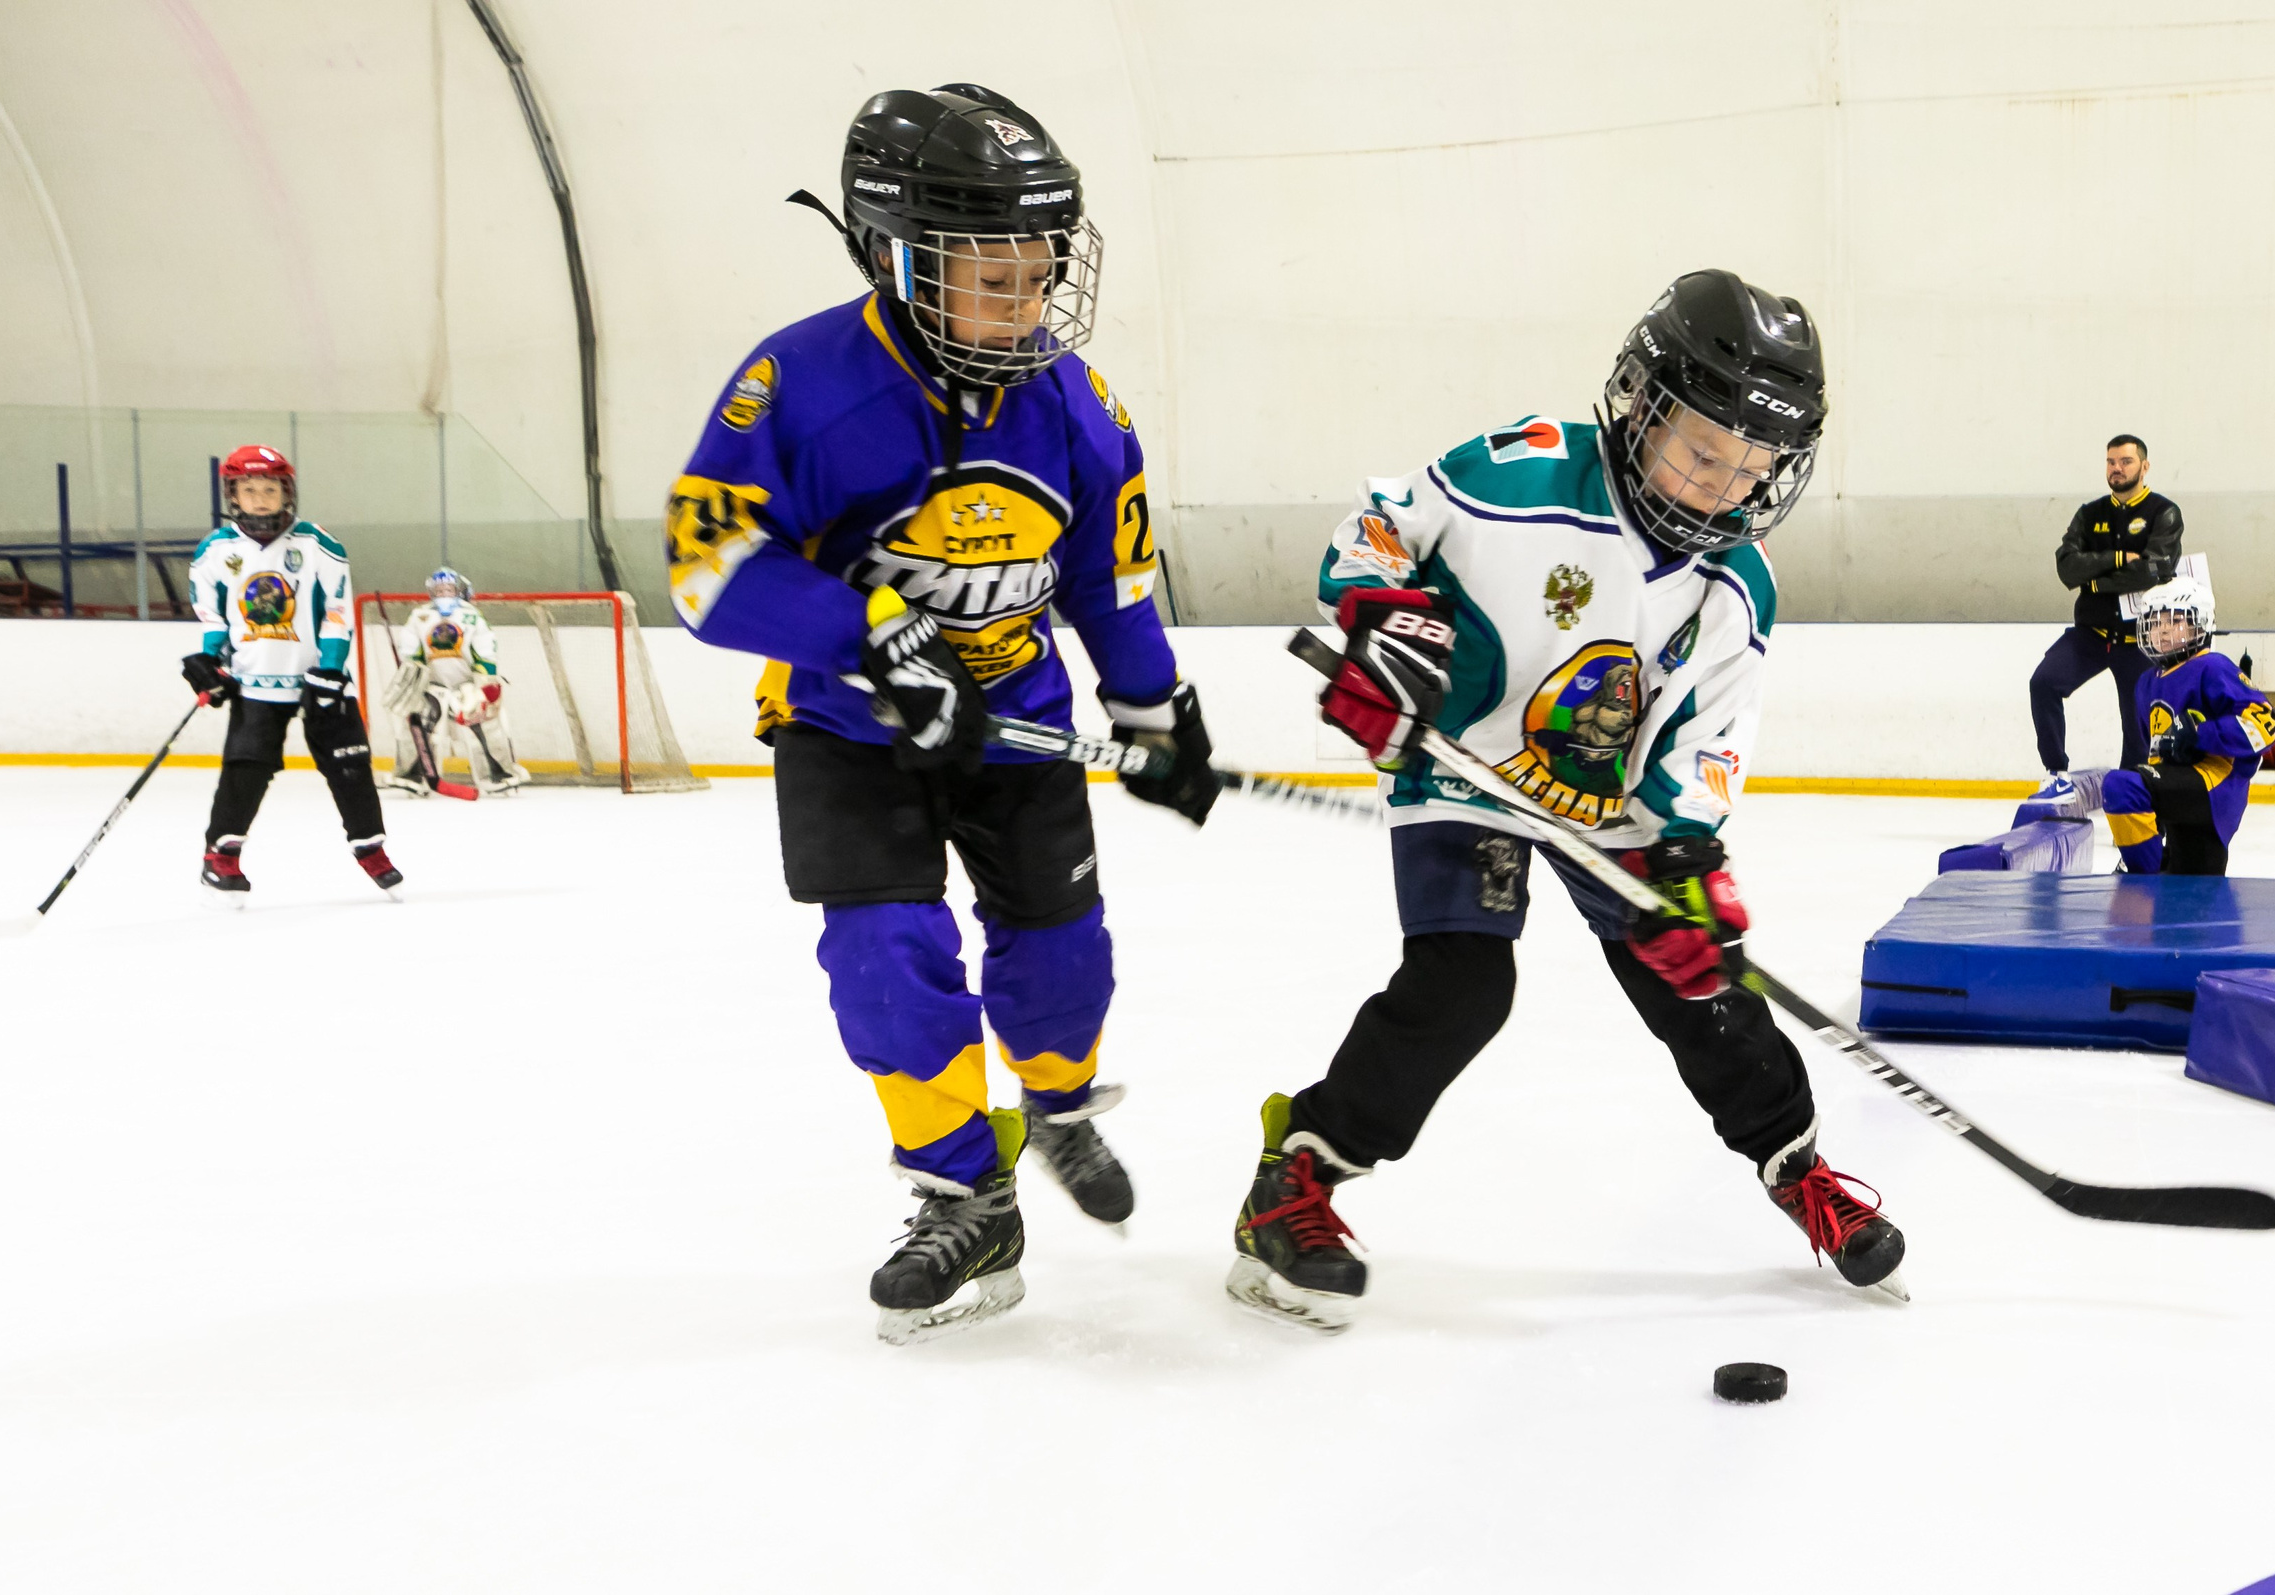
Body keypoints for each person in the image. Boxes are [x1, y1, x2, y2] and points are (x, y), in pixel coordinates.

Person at [1226, 270, 1907, 1334]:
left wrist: (1686, 862)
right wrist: (1378, 620)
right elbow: (1377, 531)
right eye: (1699, 448)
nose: (1721, 485)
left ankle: (1793, 1165)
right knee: (1463, 984)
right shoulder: (1519, 473)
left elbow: (1708, 743)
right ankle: (1298, 1178)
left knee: (1703, 990)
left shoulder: (1736, 587)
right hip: (1464, 764)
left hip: (1609, 801)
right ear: (1639, 400)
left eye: (1751, 466)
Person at [665, 83, 1219, 1344]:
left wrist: (1154, 713)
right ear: (892, 255)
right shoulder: (794, 383)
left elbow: (1108, 581)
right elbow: (706, 568)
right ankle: (967, 1191)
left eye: (1039, 274)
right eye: (994, 279)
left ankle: (1062, 1107)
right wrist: (868, 637)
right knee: (882, 957)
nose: (1027, 307)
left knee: (1062, 952)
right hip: (846, 734)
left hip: (1017, 723)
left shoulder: (1080, 408)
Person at [183, 444, 402, 895]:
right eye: (249, 489)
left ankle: (370, 848)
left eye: (270, 488)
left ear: (287, 493)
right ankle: (221, 854)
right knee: (246, 767)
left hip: (320, 678)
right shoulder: (215, 551)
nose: (260, 498)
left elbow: (337, 611)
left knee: (350, 765)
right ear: (233, 496)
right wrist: (210, 662)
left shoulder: (319, 544)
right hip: (252, 679)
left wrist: (332, 668)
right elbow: (214, 618)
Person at [2030, 436, 2182, 791]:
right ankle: (2056, 774)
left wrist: (2095, 582)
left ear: (2144, 467)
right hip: (2091, 636)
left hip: (2140, 642)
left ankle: (2130, 801)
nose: (2117, 468)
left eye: (2126, 461)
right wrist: (2115, 560)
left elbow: (2154, 570)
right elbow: (2067, 568)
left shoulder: (2164, 513)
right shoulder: (2090, 513)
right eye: (2111, 461)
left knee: (2138, 726)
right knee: (2043, 683)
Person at [2100, 576, 2275, 874]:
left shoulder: (2213, 666)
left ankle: (2143, 876)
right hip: (2179, 792)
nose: (2163, 628)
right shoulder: (2146, 682)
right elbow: (2154, 751)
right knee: (2192, 889)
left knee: (2121, 786)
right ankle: (2154, 870)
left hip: (2212, 784)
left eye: (2175, 620)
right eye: (2155, 622)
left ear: (2200, 624)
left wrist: (2200, 735)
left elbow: (2265, 725)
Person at [383, 567, 524, 796]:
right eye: (439, 589)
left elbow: (485, 646)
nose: (444, 593)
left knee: (486, 727)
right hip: (432, 685)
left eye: (449, 588)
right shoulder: (420, 615)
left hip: (467, 685)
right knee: (416, 726)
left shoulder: (471, 614)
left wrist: (485, 678)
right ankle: (412, 776)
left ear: (459, 590)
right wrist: (412, 667)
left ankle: (500, 775)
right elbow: (410, 647)